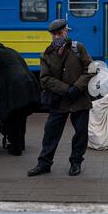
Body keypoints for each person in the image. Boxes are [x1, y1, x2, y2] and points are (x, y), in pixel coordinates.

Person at [28, 19, 94, 177]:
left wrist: (77, 87)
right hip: (59, 99)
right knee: (50, 132)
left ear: (66, 32)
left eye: (60, 33)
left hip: (79, 98)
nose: (57, 36)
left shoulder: (78, 48)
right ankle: (44, 163)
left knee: (80, 133)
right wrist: (66, 89)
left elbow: (90, 69)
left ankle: (76, 163)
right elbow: (45, 78)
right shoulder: (46, 54)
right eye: (54, 34)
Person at [0, 40, 41, 156]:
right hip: (30, 84)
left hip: (15, 87)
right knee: (21, 116)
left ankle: (15, 148)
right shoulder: (11, 51)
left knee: (11, 117)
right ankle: (21, 143)